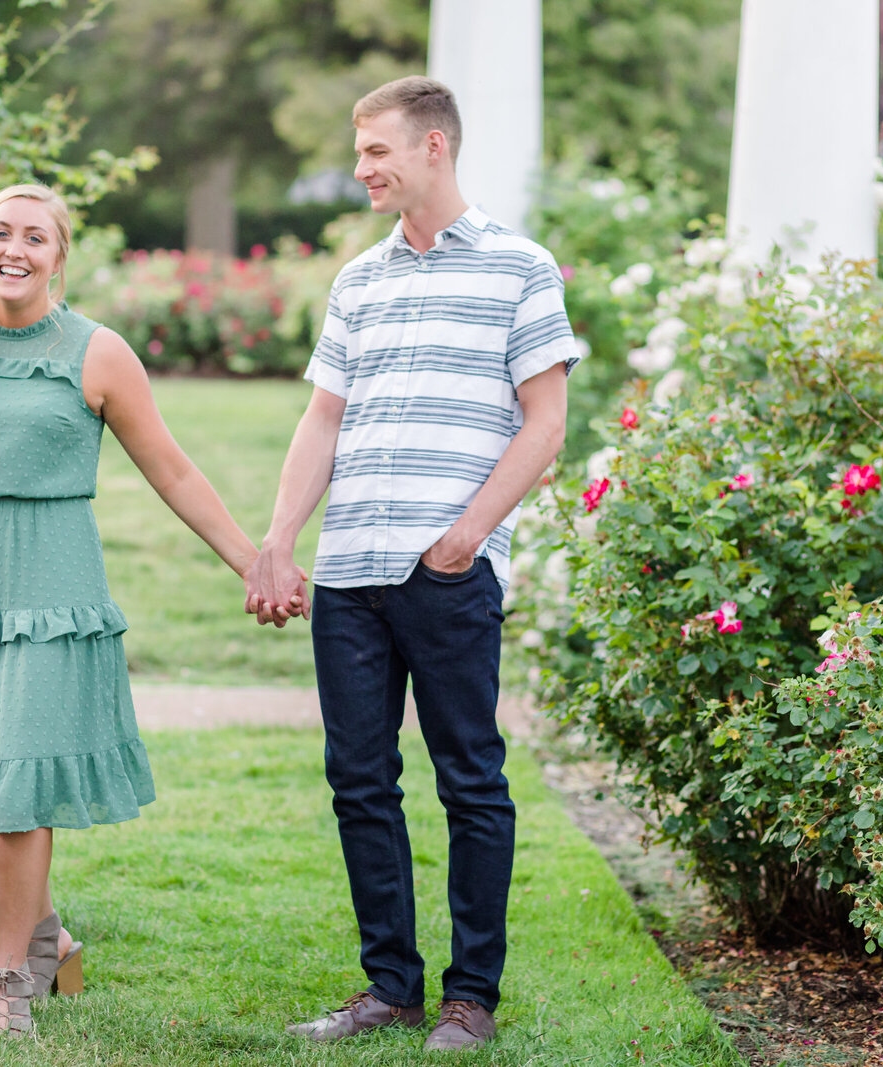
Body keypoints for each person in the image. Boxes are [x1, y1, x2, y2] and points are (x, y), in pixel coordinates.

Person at [243, 76, 580, 1051]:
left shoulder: (521, 267)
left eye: (376, 151)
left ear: (434, 146)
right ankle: (387, 985)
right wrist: (278, 536)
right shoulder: (359, 278)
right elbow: (324, 418)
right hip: (348, 572)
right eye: (359, 153)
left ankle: (470, 995)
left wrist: (463, 537)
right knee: (359, 779)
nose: (361, 170)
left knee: (469, 779)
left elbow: (545, 422)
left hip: (445, 572)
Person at [0, 183, 269, 1038]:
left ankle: (12, 979)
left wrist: (253, 561)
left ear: (60, 255)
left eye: (34, 236)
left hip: (53, 590)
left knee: (23, 779)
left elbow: (171, 470)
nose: (14, 249)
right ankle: (51, 936)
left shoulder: (99, 354)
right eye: (1, 233)